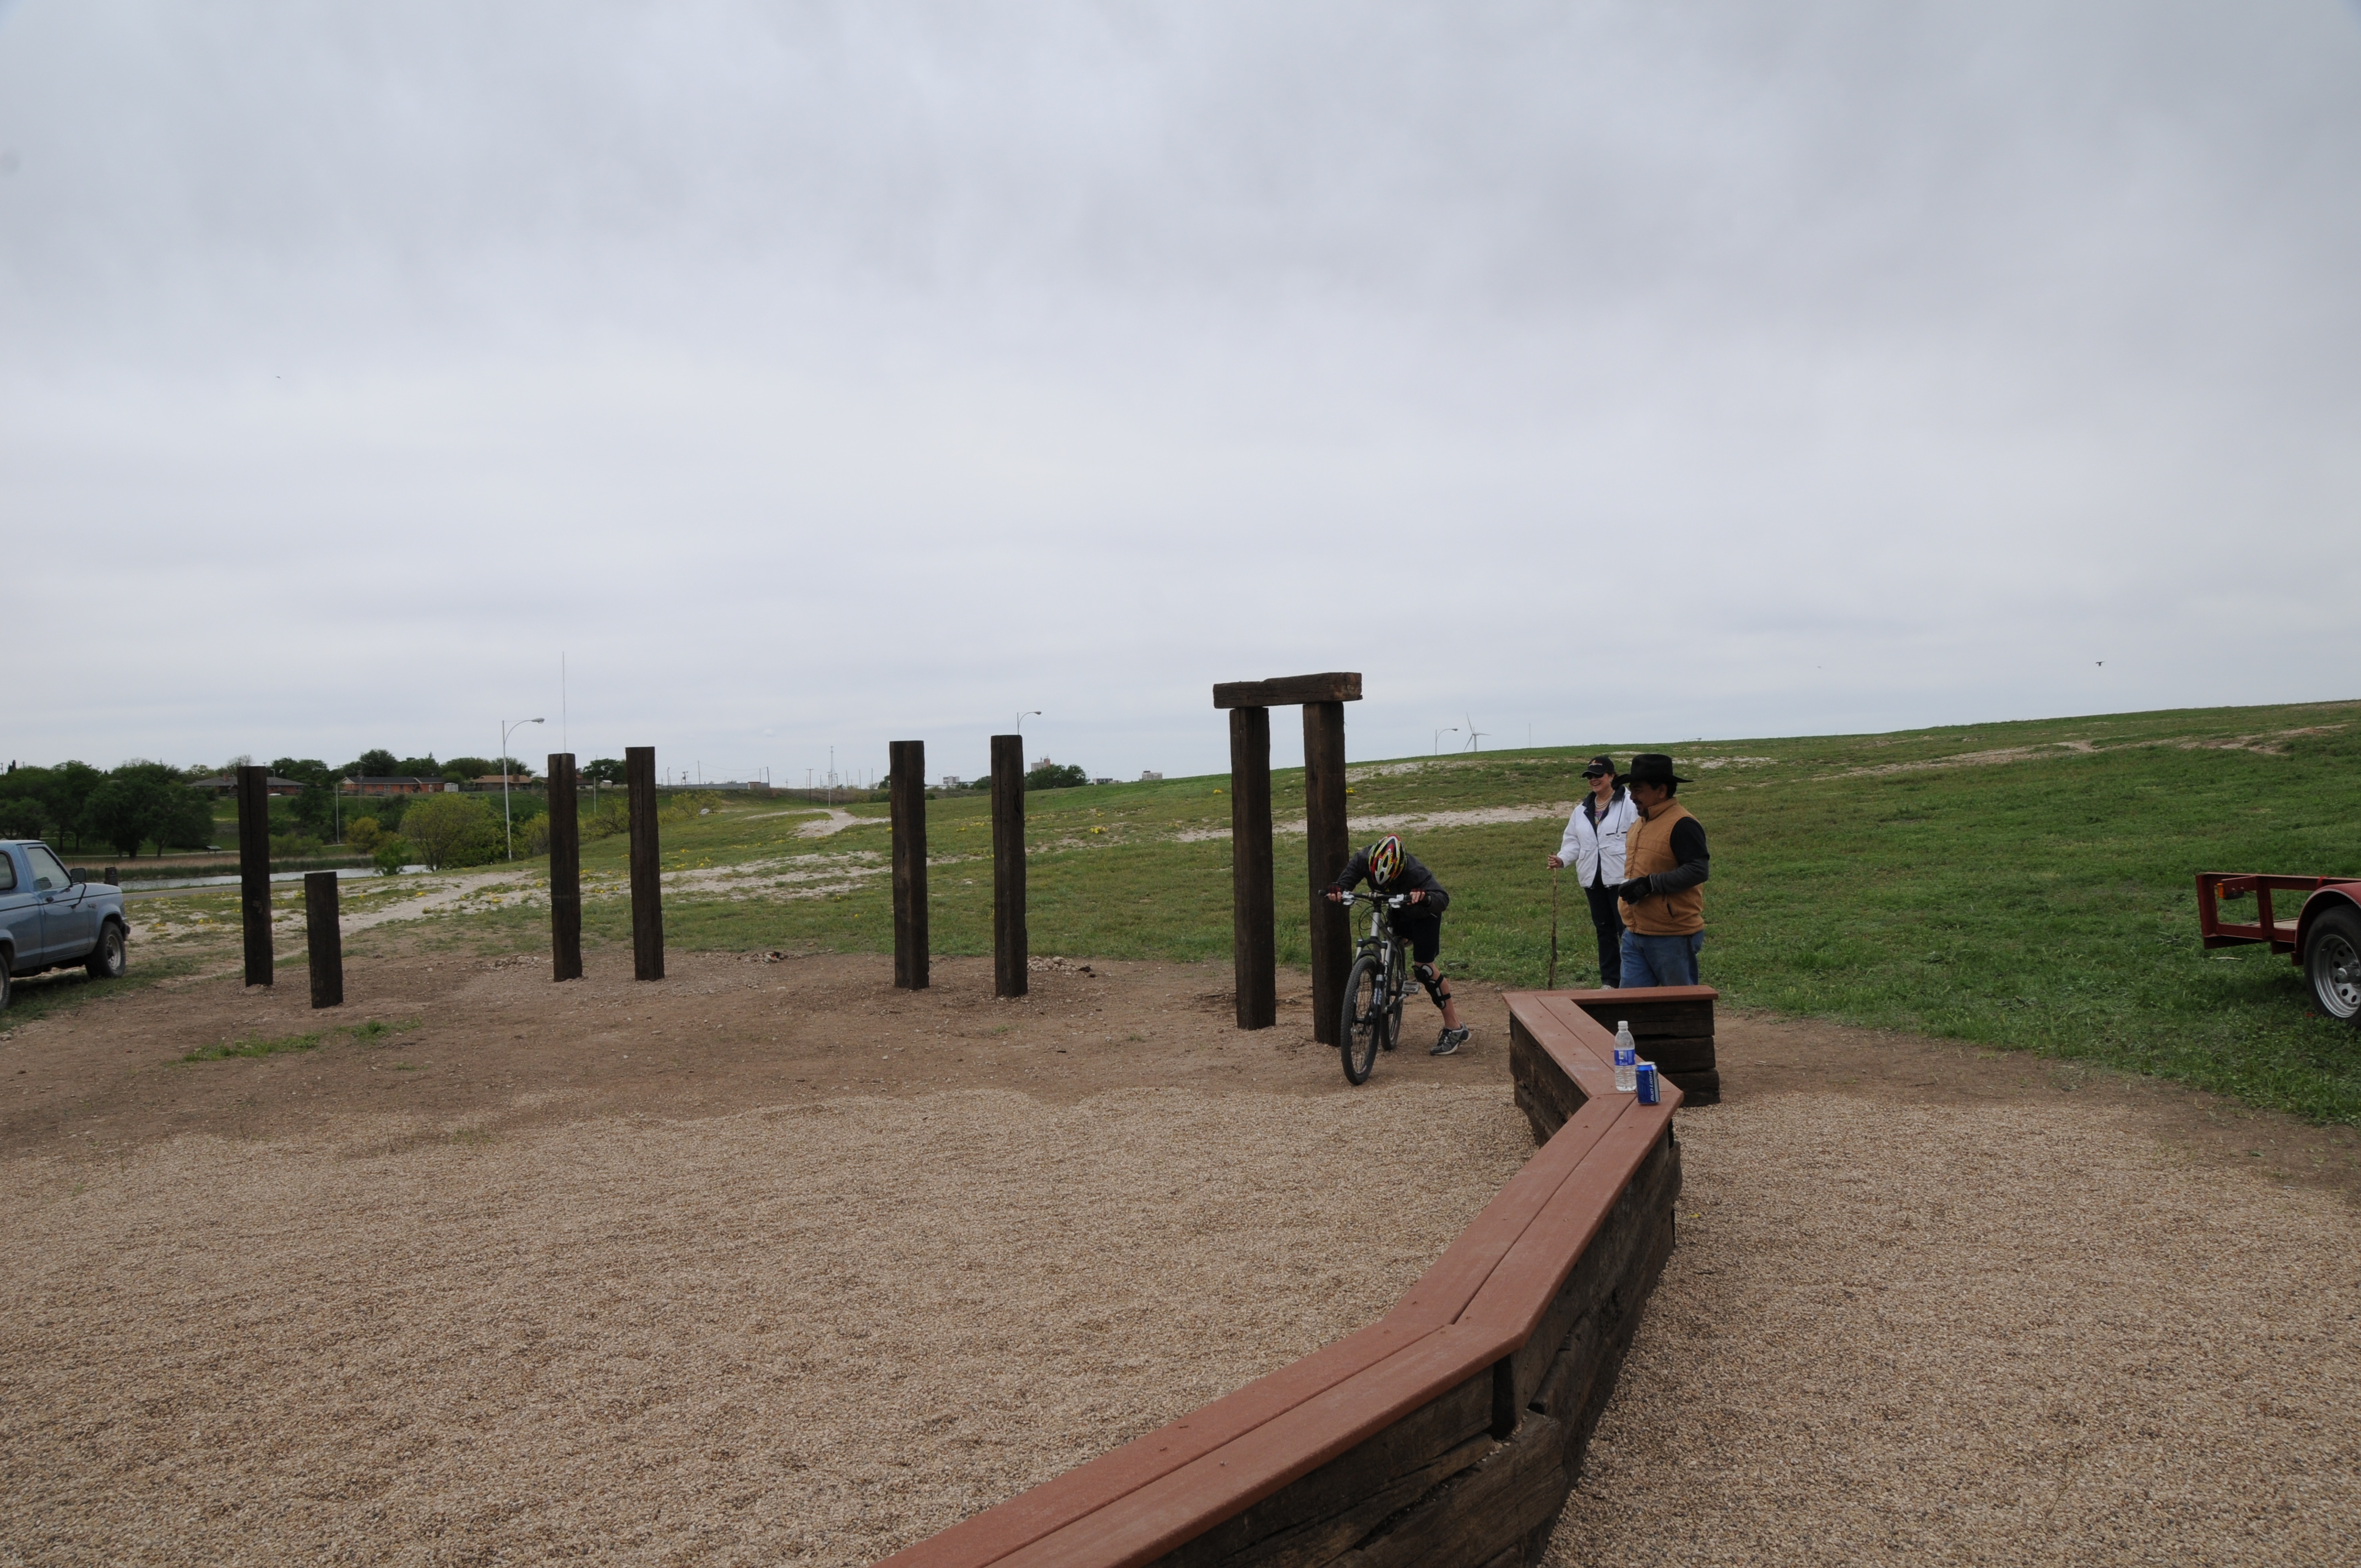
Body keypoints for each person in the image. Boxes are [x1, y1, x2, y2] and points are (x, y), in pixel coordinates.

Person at [1324, 833, 1470, 1055]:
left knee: (1424, 969)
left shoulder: (1416, 872)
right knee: (1391, 936)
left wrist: (1426, 898)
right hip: (1397, 907)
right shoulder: (1363, 859)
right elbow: (1343, 885)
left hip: (1423, 915)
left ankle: (1455, 1028)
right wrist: (1337, 891)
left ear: (1400, 869)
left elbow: (1443, 898)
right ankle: (1388, 965)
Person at [1607, 754, 1710, 987]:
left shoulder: (1683, 824)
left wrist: (1650, 884)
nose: (1632, 797)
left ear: (1662, 791)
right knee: (1631, 1005)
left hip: (1672, 936)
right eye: (1632, 790)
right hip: (1634, 933)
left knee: (1679, 1004)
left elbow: (1698, 870)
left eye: (1639, 790)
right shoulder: (1640, 823)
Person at [1548, 754, 1638, 988]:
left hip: (1622, 879)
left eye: (1599, 775)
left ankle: (1633, 979)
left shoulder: (1630, 804)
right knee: (1604, 931)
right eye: (1590, 776)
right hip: (1592, 879)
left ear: (1612, 776)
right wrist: (1562, 859)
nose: (1593, 780)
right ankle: (1610, 981)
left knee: (1627, 931)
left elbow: (1640, 837)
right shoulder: (1581, 810)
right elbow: (1573, 842)